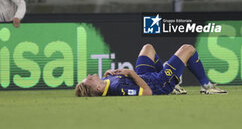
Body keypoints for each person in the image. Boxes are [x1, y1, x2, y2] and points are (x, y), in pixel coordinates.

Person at [75, 44, 227, 97]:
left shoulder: (107, 83)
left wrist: (110, 73)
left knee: (148, 48)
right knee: (188, 49)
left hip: (145, 76)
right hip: (158, 84)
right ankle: (207, 86)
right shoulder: (117, 88)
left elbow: (111, 82)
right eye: (88, 80)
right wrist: (130, 72)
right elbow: (147, 92)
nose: (89, 75)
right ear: (98, 88)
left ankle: (175, 85)